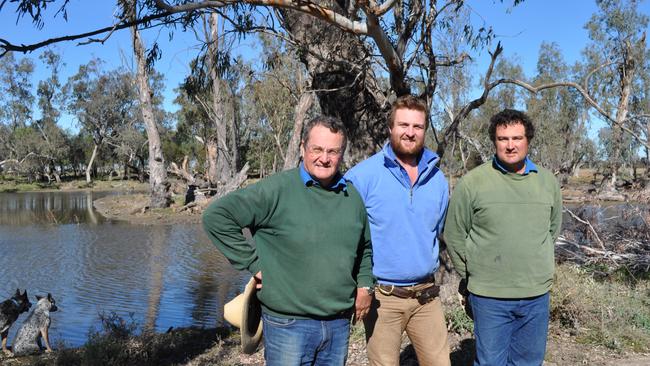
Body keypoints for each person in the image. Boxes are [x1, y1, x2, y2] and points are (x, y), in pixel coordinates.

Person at [202, 115, 373, 366]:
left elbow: (365, 248)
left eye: (333, 151)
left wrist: (365, 285)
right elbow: (217, 217)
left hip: (338, 323)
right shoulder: (276, 190)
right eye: (317, 149)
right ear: (303, 147)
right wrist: (255, 264)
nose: (324, 158)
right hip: (289, 325)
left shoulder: (352, 197)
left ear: (341, 154)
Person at [443, 109, 562, 366]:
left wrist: (533, 263)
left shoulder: (547, 182)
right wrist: (472, 275)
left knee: (529, 362)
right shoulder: (473, 183)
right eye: (503, 139)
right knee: (490, 362)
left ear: (528, 140)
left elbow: (552, 231)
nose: (510, 146)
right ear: (494, 141)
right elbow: (454, 234)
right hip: (489, 297)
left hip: (535, 295)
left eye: (517, 138)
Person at [345, 95, 451, 366]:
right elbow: (347, 238)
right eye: (403, 124)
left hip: (427, 297)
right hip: (383, 299)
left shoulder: (437, 179)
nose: (410, 132)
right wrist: (360, 286)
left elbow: (436, 232)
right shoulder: (362, 177)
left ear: (424, 130)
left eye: (417, 126)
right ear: (390, 127)